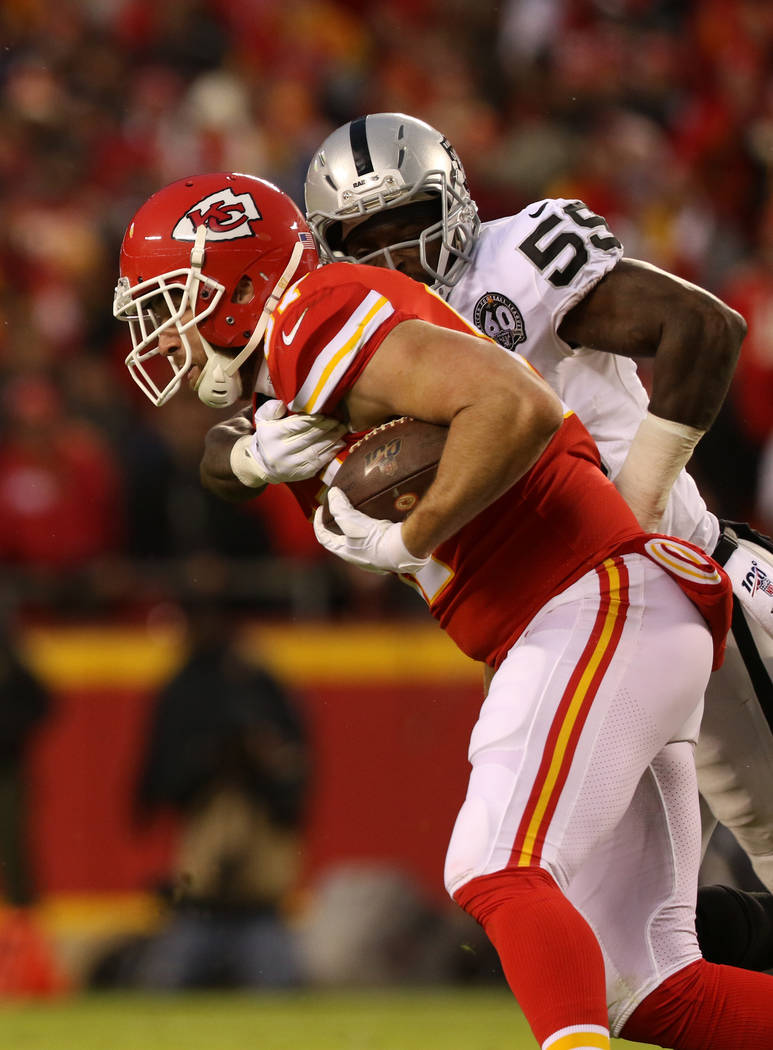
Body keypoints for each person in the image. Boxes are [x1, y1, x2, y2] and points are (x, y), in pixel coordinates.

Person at [114, 171, 773, 1049]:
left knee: (495, 866)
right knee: (647, 990)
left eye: (175, 301)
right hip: (607, 615)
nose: (166, 331)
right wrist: (246, 458)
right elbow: (227, 459)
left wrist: (412, 535)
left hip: (592, 600)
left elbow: (515, 403)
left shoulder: (317, 311)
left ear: (236, 285)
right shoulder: (300, 356)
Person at [301, 112, 773, 959]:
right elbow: (232, 441)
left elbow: (702, 328)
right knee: (619, 948)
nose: (395, 258)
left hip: (700, 592)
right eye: (364, 239)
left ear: (455, 207)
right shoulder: (362, 347)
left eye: (408, 226)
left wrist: (635, 514)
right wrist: (250, 449)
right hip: (589, 642)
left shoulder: (514, 264)